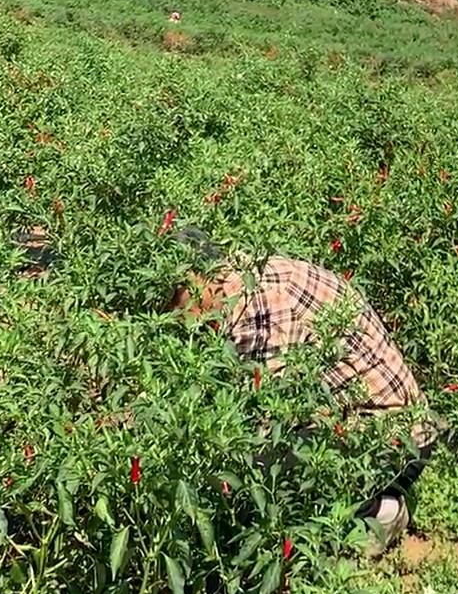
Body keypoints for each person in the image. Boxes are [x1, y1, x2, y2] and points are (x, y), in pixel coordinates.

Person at [163, 226, 436, 556]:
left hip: (392, 441)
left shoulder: (259, 306)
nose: (175, 314)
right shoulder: (242, 278)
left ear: (205, 278)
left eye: (177, 298)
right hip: (374, 425)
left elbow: (270, 413)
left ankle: (378, 513)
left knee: (255, 470)